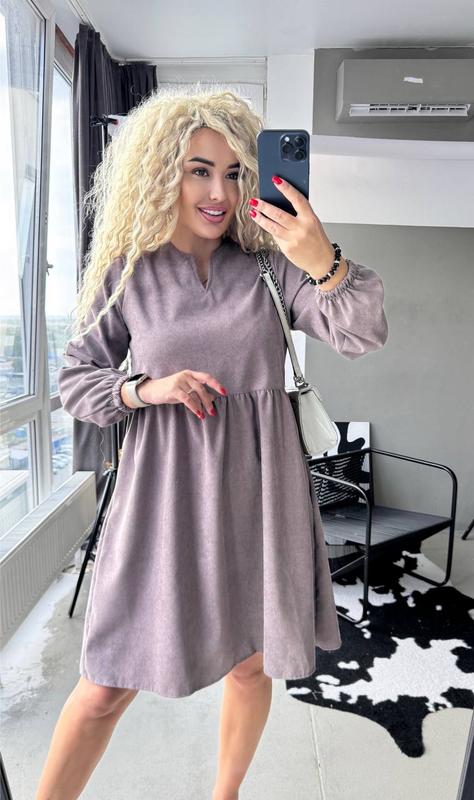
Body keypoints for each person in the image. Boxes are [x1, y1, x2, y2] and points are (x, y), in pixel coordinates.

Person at [35, 86, 388, 800]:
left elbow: (362, 333)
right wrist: (145, 389)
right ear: (164, 172)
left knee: (250, 665)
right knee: (104, 684)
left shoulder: (270, 267)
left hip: (262, 494)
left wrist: (322, 259)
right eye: (199, 170)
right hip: (160, 498)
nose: (218, 193)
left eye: (232, 173)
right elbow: (75, 380)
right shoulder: (129, 271)